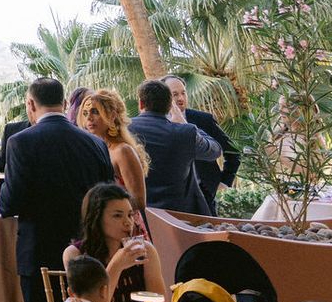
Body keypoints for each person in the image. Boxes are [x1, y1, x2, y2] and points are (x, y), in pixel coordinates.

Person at [0, 77, 115, 302]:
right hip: (87, 254)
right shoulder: (95, 143)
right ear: (64, 104)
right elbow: (108, 197)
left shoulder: (20, 142)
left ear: (30, 105)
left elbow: (10, 204)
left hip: (37, 254)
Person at [64, 182, 167, 302]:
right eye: (117, 216)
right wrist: (116, 266)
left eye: (130, 215)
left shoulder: (144, 249)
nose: (128, 222)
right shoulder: (76, 254)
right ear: (97, 217)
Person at [126, 78, 220, 214]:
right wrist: (184, 124)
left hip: (137, 213)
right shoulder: (185, 132)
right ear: (170, 104)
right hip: (181, 217)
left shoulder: (123, 130)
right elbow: (214, 150)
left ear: (141, 103)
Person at [164, 76, 240, 214]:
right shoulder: (158, 122)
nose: (180, 98)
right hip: (169, 198)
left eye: (183, 92)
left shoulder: (203, 119)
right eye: (175, 94)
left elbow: (233, 151)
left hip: (204, 192)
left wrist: (224, 181)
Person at [77, 90, 149, 213]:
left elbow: (139, 201)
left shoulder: (123, 151)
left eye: (95, 112)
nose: (88, 118)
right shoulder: (94, 148)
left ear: (112, 115)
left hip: (125, 226)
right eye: (85, 113)